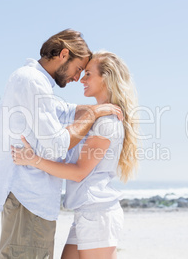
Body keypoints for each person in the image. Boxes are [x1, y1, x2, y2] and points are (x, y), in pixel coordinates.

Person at [0, 30, 123, 259]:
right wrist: (93, 114)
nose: (77, 77)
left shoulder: (36, 82)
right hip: (30, 199)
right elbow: (58, 146)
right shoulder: (31, 80)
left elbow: (67, 111)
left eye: (86, 73)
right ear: (63, 54)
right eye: (79, 69)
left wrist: (101, 109)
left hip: (35, 203)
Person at [12, 51, 139, 259]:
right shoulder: (96, 118)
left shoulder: (106, 123)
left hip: (97, 213)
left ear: (105, 78)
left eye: (88, 74)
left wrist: (32, 160)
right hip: (86, 212)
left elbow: (79, 172)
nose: (82, 79)